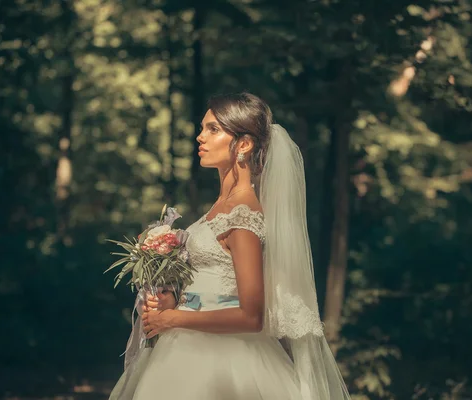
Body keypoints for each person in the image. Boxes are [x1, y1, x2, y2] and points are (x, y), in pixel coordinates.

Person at [109, 93, 350, 399]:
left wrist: (174, 318)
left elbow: (251, 317)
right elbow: (212, 287)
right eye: (202, 128)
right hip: (185, 346)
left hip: (227, 359)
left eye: (213, 129)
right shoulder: (221, 207)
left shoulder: (243, 216)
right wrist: (172, 302)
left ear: (244, 145)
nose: (200, 137)